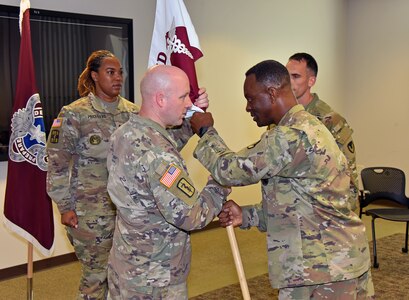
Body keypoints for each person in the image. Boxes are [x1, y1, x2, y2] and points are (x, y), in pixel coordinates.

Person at [190, 60, 374, 299]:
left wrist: (206, 132)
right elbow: (297, 206)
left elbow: (230, 169)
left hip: (323, 271)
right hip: (332, 263)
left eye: (251, 98)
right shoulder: (304, 127)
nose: (248, 107)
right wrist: (245, 215)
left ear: (272, 93)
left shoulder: (293, 135)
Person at [46, 50, 209, 299]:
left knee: (121, 274)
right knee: (96, 276)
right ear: (94, 76)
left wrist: (191, 120)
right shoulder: (74, 114)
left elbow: (164, 146)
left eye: (120, 72)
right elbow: (57, 163)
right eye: (110, 72)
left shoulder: (133, 113)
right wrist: (65, 206)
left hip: (132, 213)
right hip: (91, 213)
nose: (118, 78)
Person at [106, 64, 231, 299]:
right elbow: (192, 215)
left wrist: (191, 118)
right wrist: (219, 185)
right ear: (161, 99)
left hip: (127, 264)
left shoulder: (125, 133)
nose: (188, 103)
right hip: (156, 278)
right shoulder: (159, 156)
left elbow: (161, 143)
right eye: (184, 97)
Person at [286, 52, 358, 211]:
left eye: (296, 76)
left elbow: (349, 177)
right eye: (287, 76)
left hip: (322, 212)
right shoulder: (280, 118)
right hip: (289, 211)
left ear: (311, 81)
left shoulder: (330, 120)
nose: (289, 82)